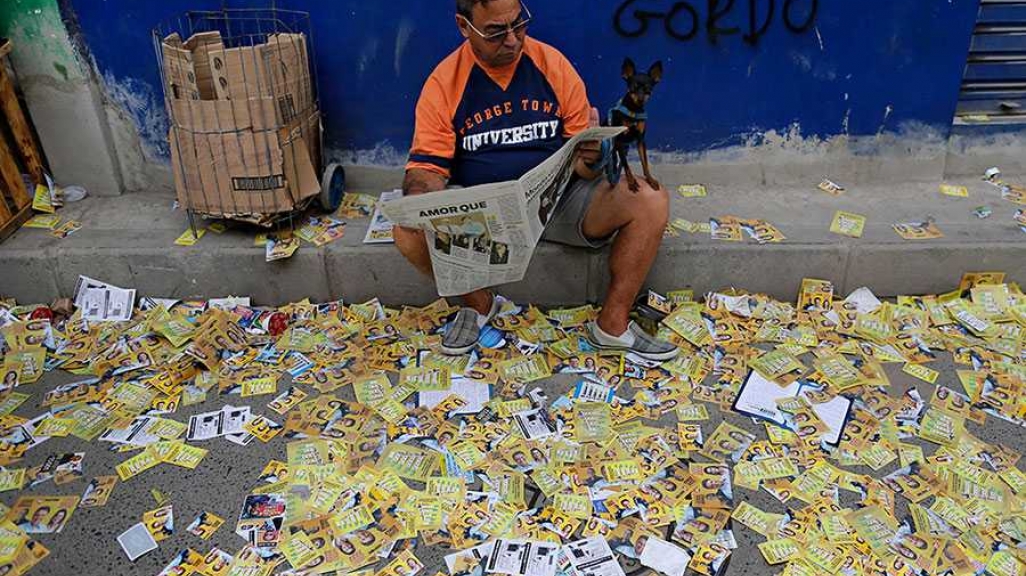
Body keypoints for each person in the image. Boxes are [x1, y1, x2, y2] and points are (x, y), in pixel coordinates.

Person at [395, 0, 677, 361]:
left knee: (651, 199)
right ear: (465, 27)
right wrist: (421, 200)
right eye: (496, 32)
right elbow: (426, 168)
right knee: (408, 227)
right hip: (488, 216)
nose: (513, 40)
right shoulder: (445, 82)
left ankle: (613, 325)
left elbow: (584, 164)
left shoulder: (551, 63)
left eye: (519, 24)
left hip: (559, 201)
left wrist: (591, 157)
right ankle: (479, 305)